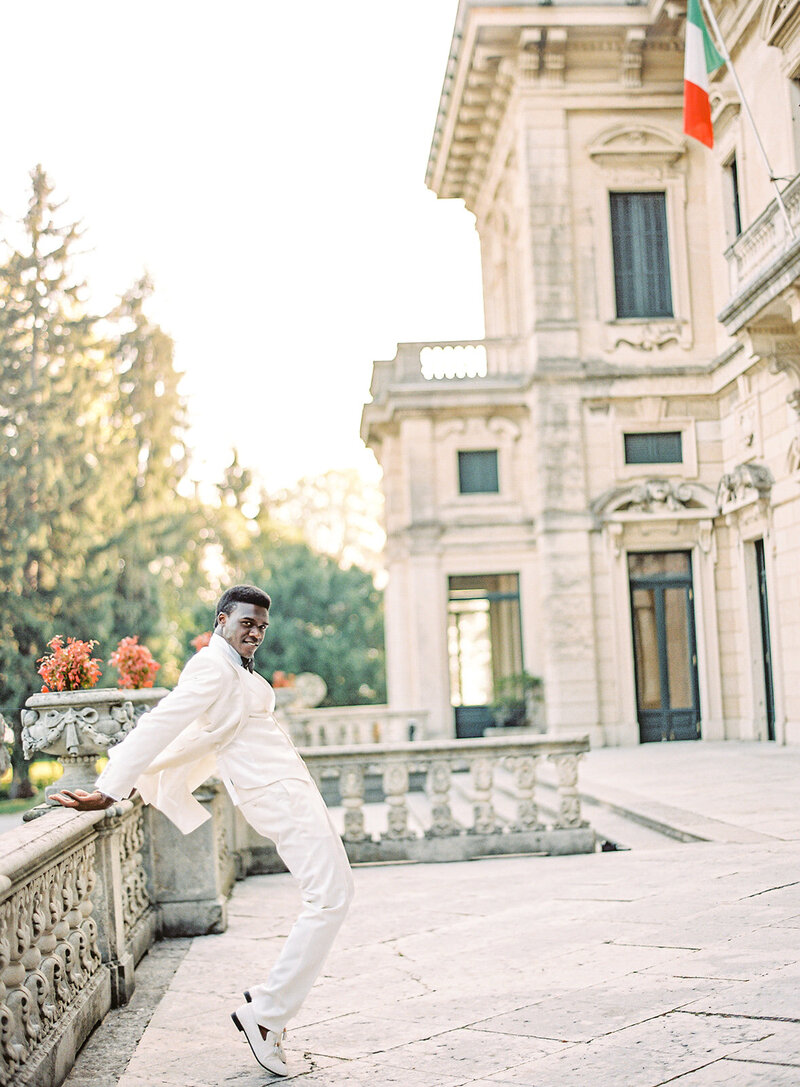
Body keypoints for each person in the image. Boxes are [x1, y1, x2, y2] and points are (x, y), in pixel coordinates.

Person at [52, 584, 354, 1077]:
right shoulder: (211, 667)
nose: (254, 631)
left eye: (260, 625)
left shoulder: (235, 666)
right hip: (275, 793)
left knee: (334, 894)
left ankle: (269, 1004)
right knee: (331, 897)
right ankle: (266, 1016)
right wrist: (111, 787)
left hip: (290, 789)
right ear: (221, 620)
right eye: (245, 622)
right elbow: (161, 723)